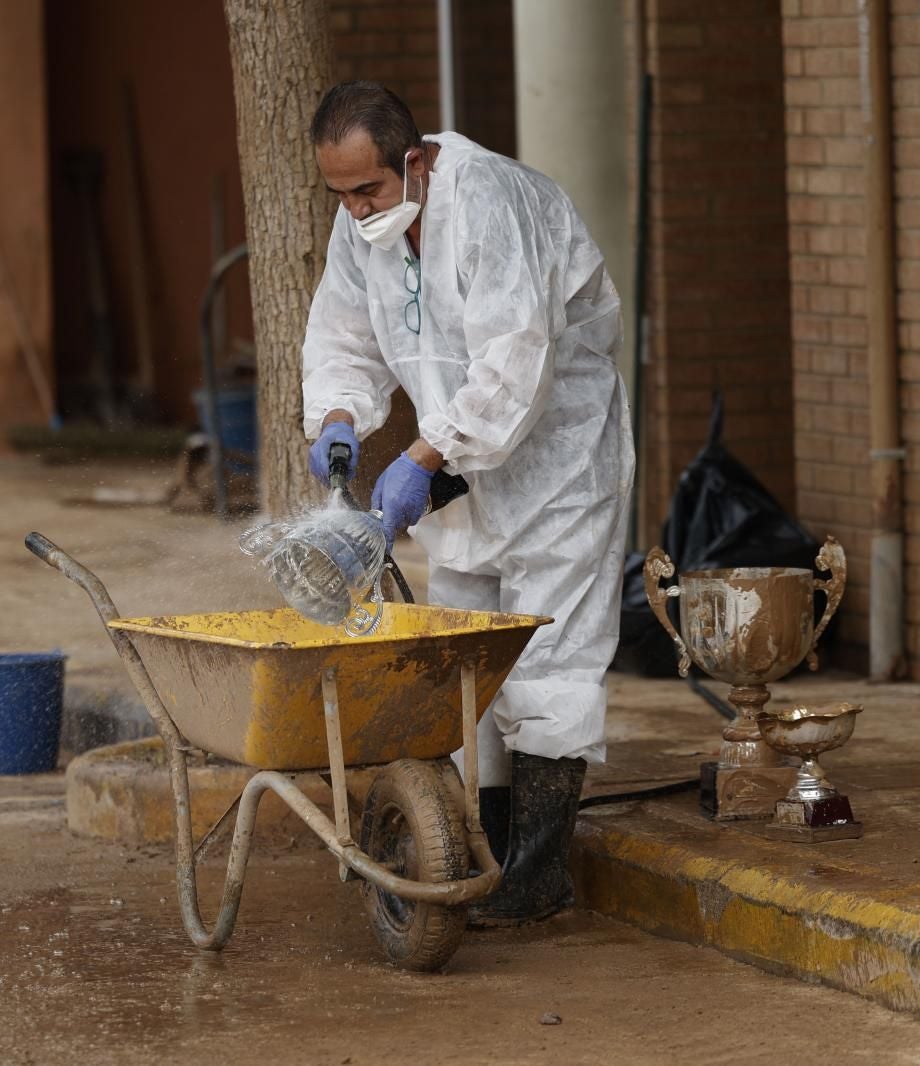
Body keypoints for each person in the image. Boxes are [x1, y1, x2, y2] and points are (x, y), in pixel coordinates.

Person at [300, 81, 634, 926]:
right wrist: (339, 416)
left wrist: (419, 455)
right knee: (464, 659)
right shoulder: (361, 221)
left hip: (557, 462)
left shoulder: (489, 201)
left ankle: (540, 868)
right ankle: (484, 845)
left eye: (368, 190)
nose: (355, 209)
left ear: (412, 162)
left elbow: (515, 360)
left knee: (549, 658)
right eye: (339, 194)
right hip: (462, 462)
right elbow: (343, 336)